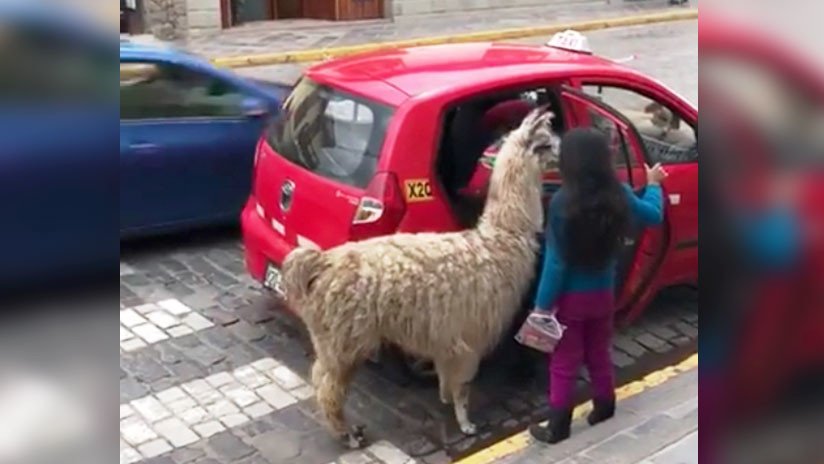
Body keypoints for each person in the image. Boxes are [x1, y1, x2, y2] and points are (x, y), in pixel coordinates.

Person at [529, 127, 667, 444]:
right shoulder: (619, 193)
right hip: (604, 293)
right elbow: (653, 215)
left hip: (569, 300)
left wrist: (541, 307)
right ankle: (604, 405)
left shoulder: (562, 203)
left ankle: (558, 425)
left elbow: (556, 263)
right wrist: (654, 186)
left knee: (564, 361)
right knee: (599, 352)